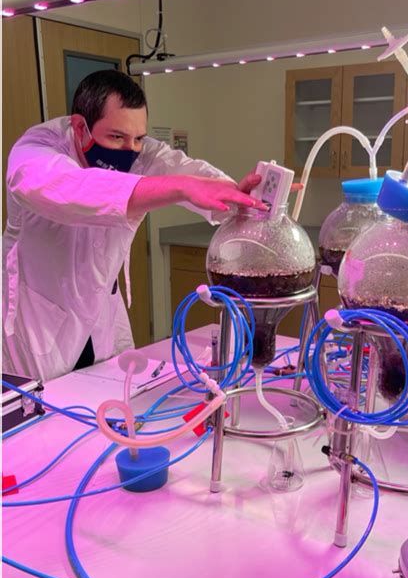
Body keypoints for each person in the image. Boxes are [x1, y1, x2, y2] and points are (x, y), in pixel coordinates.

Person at [2, 69, 269, 383]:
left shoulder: (138, 150)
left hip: (100, 316)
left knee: (110, 397)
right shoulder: (36, 151)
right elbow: (70, 189)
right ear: (80, 127)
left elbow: (183, 170)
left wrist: (241, 198)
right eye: (116, 137)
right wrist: (181, 187)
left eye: (138, 138)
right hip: (38, 323)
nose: (130, 149)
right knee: (43, 408)